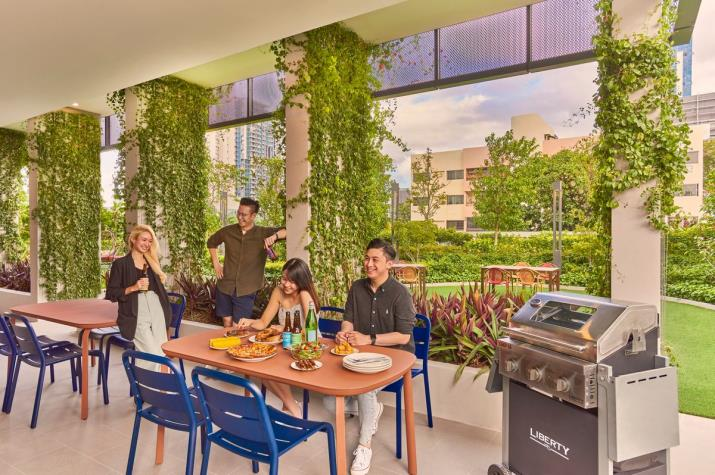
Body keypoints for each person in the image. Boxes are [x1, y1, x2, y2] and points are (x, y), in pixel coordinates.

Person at [336, 238, 416, 475]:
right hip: (362, 355)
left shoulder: (400, 293)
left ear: (389, 264)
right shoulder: (356, 287)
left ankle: (364, 446)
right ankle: (372, 411)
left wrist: (368, 339)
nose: (368, 263)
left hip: (396, 358)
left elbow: (403, 336)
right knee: (331, 402)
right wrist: (345, 332)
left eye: (375, 259)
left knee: (365, 389)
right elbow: (348, 319)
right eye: (366, 258)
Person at [236, 258, 320, 417]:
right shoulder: (278, 292)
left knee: (270, 366)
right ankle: (293, 406)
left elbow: (310, 331)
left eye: (292, 281)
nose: (286, 284)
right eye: (284, 279)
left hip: (306, 346)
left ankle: (291, 407)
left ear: (301, 281)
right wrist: (249, 322)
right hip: (286, 344)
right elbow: (263, 323)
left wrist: (284, 328)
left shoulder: (304, 294)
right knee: (260, 365)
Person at [207, 197, 286, 333]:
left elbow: (286, 231)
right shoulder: (228, 231)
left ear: (253, 216)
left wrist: (275, 237)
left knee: (238, 326)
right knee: (227, 323)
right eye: (238, 213)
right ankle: (227, 345)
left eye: (244, 215)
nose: (239, 217)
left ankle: (236, 346)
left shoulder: (263, 232)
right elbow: (211, 242)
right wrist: (216, 263)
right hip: (225, 285)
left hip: (246, 289)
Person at [105, 224, 172, 368]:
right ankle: (145, 383)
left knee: (161, 352)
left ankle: (159, 383)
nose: (147, 244)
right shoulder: (120, 264)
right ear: (133, 239)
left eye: (150, 241)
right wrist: (133, 288)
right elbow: (111, 293)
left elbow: (159, 292)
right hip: (135, 313)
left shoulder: (152, 263)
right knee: (152, 354)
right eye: (144, 240)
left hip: (156, 310)